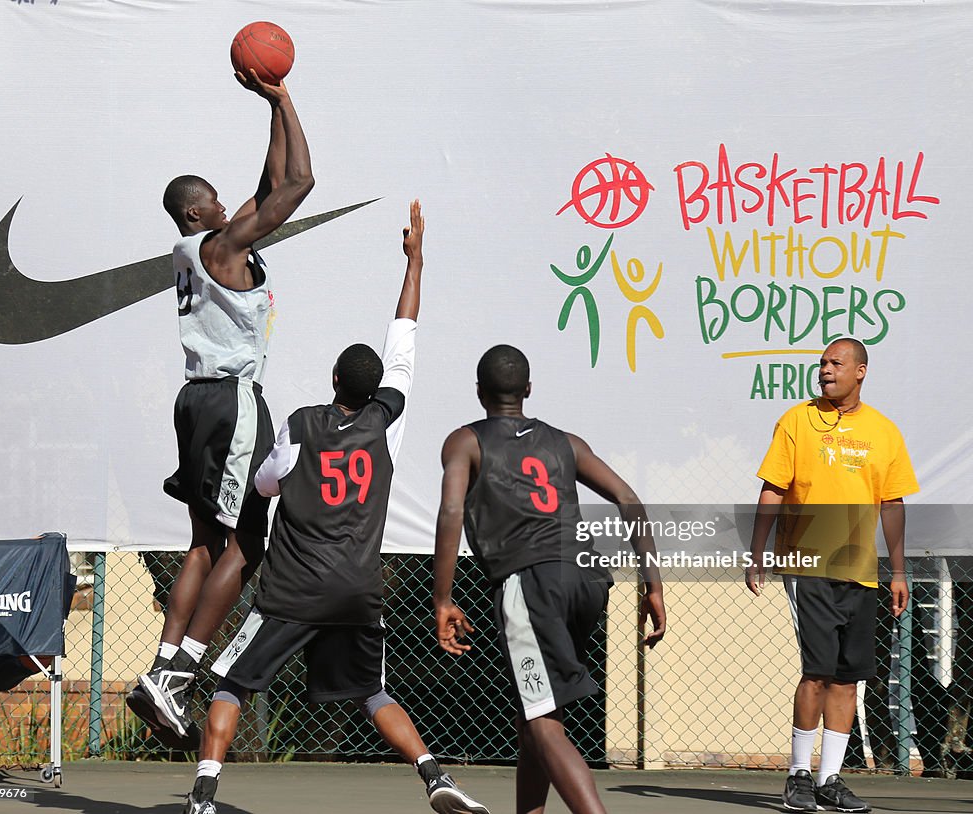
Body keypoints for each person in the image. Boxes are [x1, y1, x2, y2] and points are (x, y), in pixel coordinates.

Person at [183, 201, 489, 814]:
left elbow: (267, 485)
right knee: (373, 691)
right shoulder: (386, 424)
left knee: (231, 683)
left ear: (332, 381)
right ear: (375, 389)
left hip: (293, 592)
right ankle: (436, 778)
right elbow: (403, 338)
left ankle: (204, 795)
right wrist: (415, 261)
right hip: (357, 590)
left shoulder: (300, 427)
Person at [127, 67, 315, 747]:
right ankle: (180, 678)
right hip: (234, 403)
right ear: (194, 214)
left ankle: (162, 673)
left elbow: (268, 187)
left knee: (204, 544)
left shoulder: (200, 247)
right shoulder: (224, 245)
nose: (225, 205)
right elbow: (299, 185)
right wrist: (283, 97)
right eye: (213, 201)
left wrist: (268, 115)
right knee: (249, 540)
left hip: (195, 400)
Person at [433, 345, 666, 814]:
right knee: (534, 711)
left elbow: (453, 509)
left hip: (530, 583)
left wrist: (442, 597)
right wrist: (653, 583)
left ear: (479, 392)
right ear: (529, 390)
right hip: (587, 581)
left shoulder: (465, 441)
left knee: (542, 720)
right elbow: (628, 498)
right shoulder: (566, 443)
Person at [746, 338, 918, 813]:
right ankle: (799, 775)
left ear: (860, 372)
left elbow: (893, 502)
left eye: (835, 363)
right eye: (822, 363)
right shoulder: (797, 420)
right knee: (818, 672)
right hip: (808, 563)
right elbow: (773, 488)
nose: (825, 370)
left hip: (859, 571)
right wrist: (757, 551)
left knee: (847, 680)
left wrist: (898, 571)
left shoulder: (884, 431)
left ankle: (829, 780)